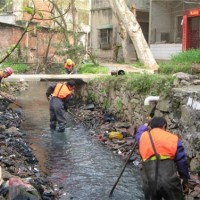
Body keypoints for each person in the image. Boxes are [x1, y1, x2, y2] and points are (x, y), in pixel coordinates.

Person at [135, 116, 190, 200]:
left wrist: (145, 124)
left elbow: (139, 133)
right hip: (168, 180)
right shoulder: (173, 138)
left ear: (151, 126)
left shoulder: (143, 137)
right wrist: (185, 178)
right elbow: (181, 161)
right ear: (164, 126)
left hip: (149, 181)